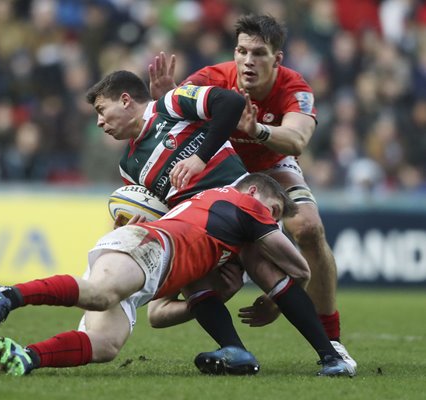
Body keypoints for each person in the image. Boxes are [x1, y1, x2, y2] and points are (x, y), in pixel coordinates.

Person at [82, 70, 355, 376]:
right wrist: (134, 225)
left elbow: (231, 102)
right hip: (201, 227)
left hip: (237, 204)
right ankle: (236, 351)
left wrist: (200, 157)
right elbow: (159, 209)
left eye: (101, 111)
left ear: (125, 100)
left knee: (261, 263)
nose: (100, 122)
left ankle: (331, 357)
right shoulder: (129, 166)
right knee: (193, 280)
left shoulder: (170, 103)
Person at [0, 173, 354, 377]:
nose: (270, 222)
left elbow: (157, 316)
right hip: (151, 246)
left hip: (148, 265)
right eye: (272, 211)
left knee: (105, 345)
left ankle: (26, 357)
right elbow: (300, 268)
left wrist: (210, 299)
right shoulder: (243, 202)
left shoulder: (212, 226)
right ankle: (5, 295)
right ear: (254, 191)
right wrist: (273, 302)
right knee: (101, 293)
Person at [147, 14, 357, 371]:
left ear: (277, 59)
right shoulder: (212, 78)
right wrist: (165, 99)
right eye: (242, 51)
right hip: (219, 173)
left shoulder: (294, 86)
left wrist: (258, 129)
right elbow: (175, 118)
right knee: (181, 260)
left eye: (258, 53)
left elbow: (298, 140)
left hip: (272, 166)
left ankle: (331, 339)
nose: (247, 60)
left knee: (308, 227)